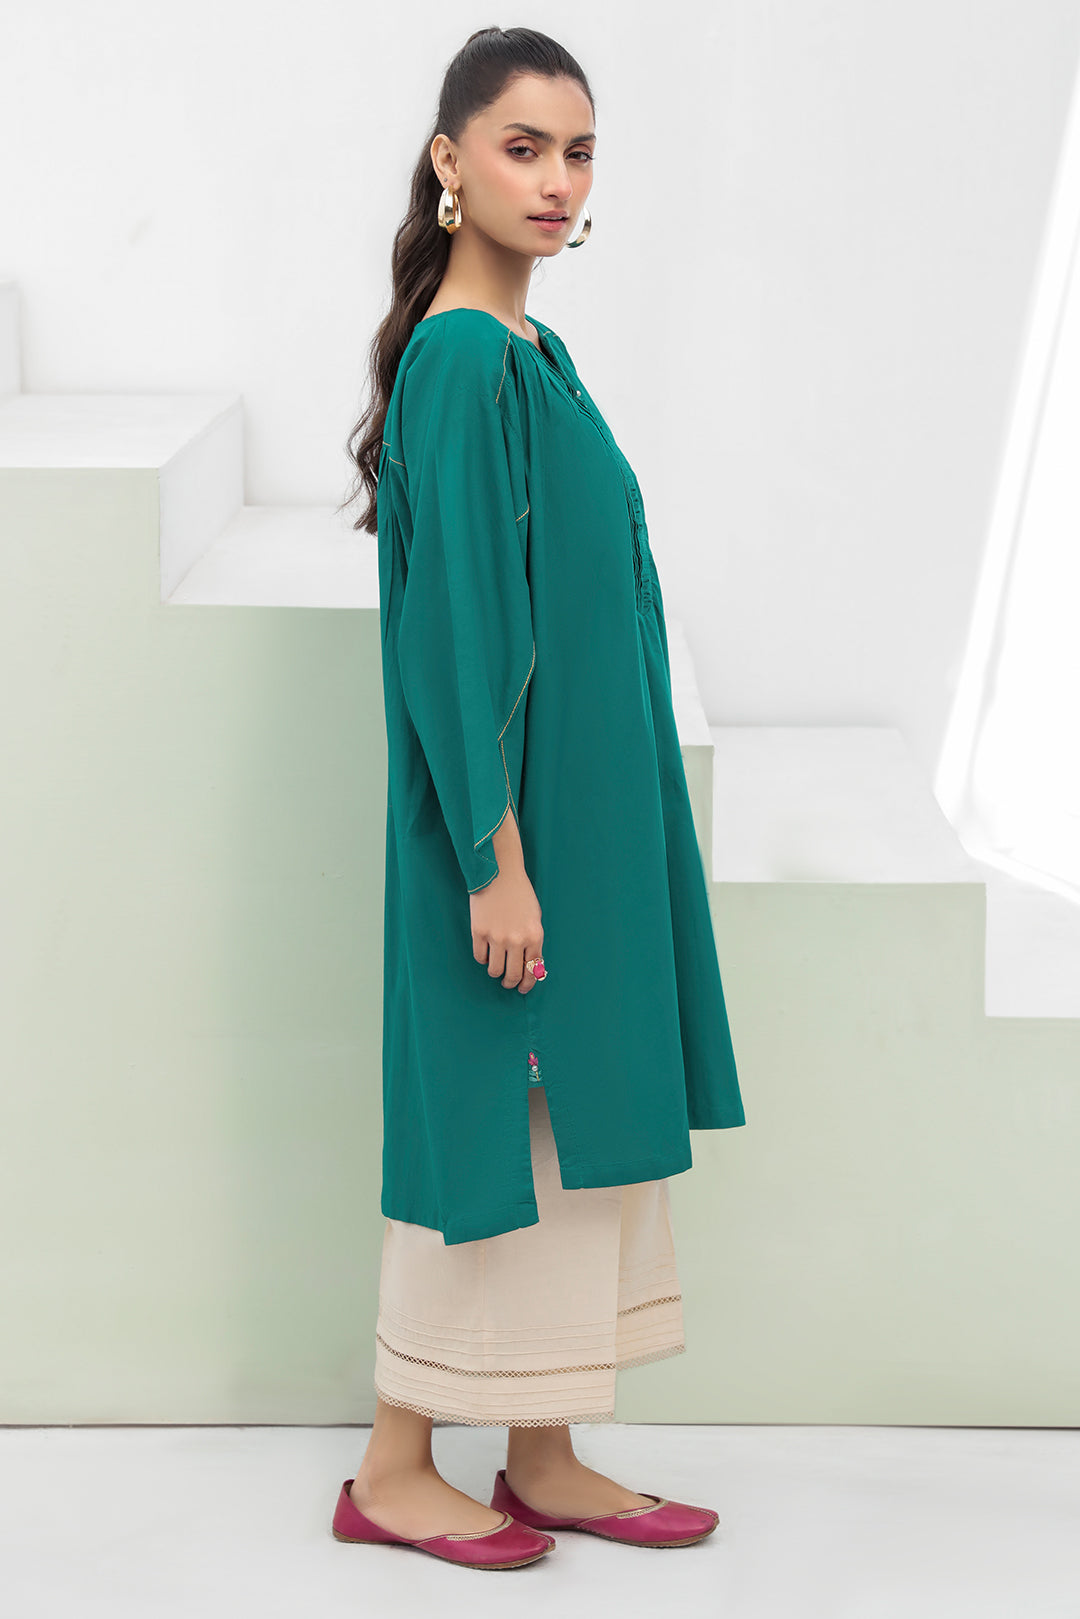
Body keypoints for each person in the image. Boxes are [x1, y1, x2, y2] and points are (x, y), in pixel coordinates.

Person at [333, 26, 746, 1570]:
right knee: (488, 1131)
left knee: (561, 1135)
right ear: (449, 162)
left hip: (588, 831)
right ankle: (391, 1468)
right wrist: (493, 859)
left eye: (578, 153)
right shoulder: (460, 360)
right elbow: (459, 636)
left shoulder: (532, 355)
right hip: (516, 841)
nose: (558, 180)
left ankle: (546, 1451)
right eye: (523, 148)